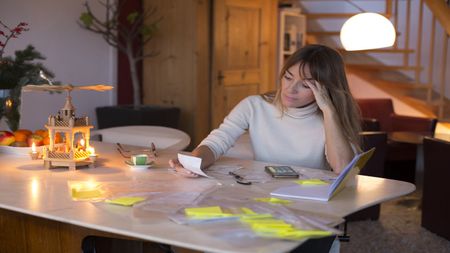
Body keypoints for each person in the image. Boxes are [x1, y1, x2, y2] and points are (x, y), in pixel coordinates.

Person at [169, 44, 362, 176]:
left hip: (311, 198)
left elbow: (343, 169)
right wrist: (193, 164)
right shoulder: (254, 106)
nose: (290, 89)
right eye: (287, 77)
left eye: (306, 85)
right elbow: (218, 141)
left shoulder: (331, 118)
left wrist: (328, 110)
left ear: (325, 88)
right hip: (265, 191)